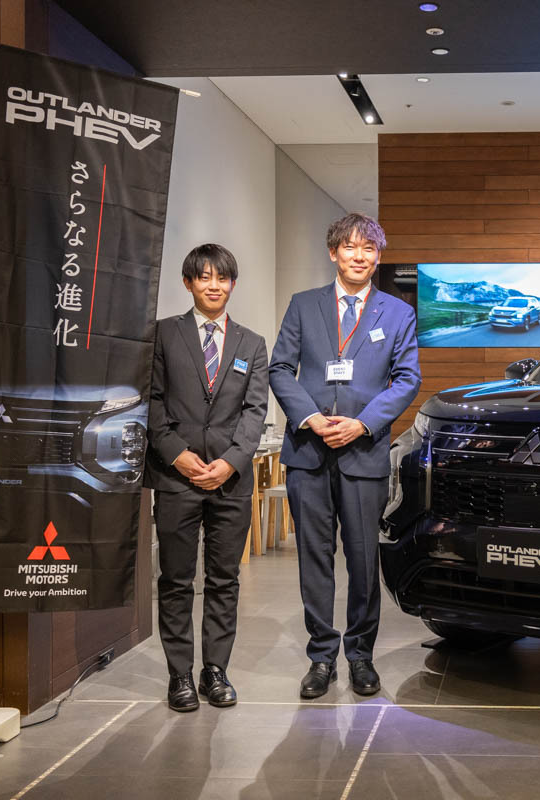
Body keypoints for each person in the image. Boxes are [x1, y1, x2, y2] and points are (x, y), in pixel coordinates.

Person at [269, 212, 420, 698]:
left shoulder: (397, 313)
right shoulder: (304, 304)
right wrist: (310, 418)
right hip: (308, 451)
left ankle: (360, 655)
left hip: (364, 451)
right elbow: (279, 369)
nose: (359, 256)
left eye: (368, 249)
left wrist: (363, 423)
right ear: (333, 252)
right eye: (350, 247)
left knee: (362, 559)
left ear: (378, 256)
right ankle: (321, 657)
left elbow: (407, 379)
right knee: (314, 558)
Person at [146, 243, 268, 712]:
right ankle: (179, 674)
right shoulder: (163, 334)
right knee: (176, 579)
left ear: (232, 284)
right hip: (176, 478)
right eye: (204, 277)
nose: (213, 285)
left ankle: (215, 670)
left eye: (222, 278)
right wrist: (177, 455)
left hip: (230, 482)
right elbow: (152, 402)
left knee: (223, 580)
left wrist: (232, 461)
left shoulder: (252, 343)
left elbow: (255, 411)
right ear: (188, 282)